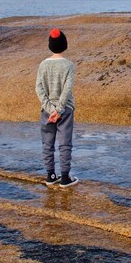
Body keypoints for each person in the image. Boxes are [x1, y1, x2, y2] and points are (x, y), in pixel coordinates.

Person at [35, 28, 78, 188]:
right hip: (65, 110)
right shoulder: (69, 65)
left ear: (50, 45)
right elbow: (67, 90)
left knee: (47, 144)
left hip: (47, 111)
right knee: (65, 143)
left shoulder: (43, 65)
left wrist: (50, 109)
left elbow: (39, 88)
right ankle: (65, 177)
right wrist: (58, 110)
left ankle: (51, 175)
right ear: (64, 44)